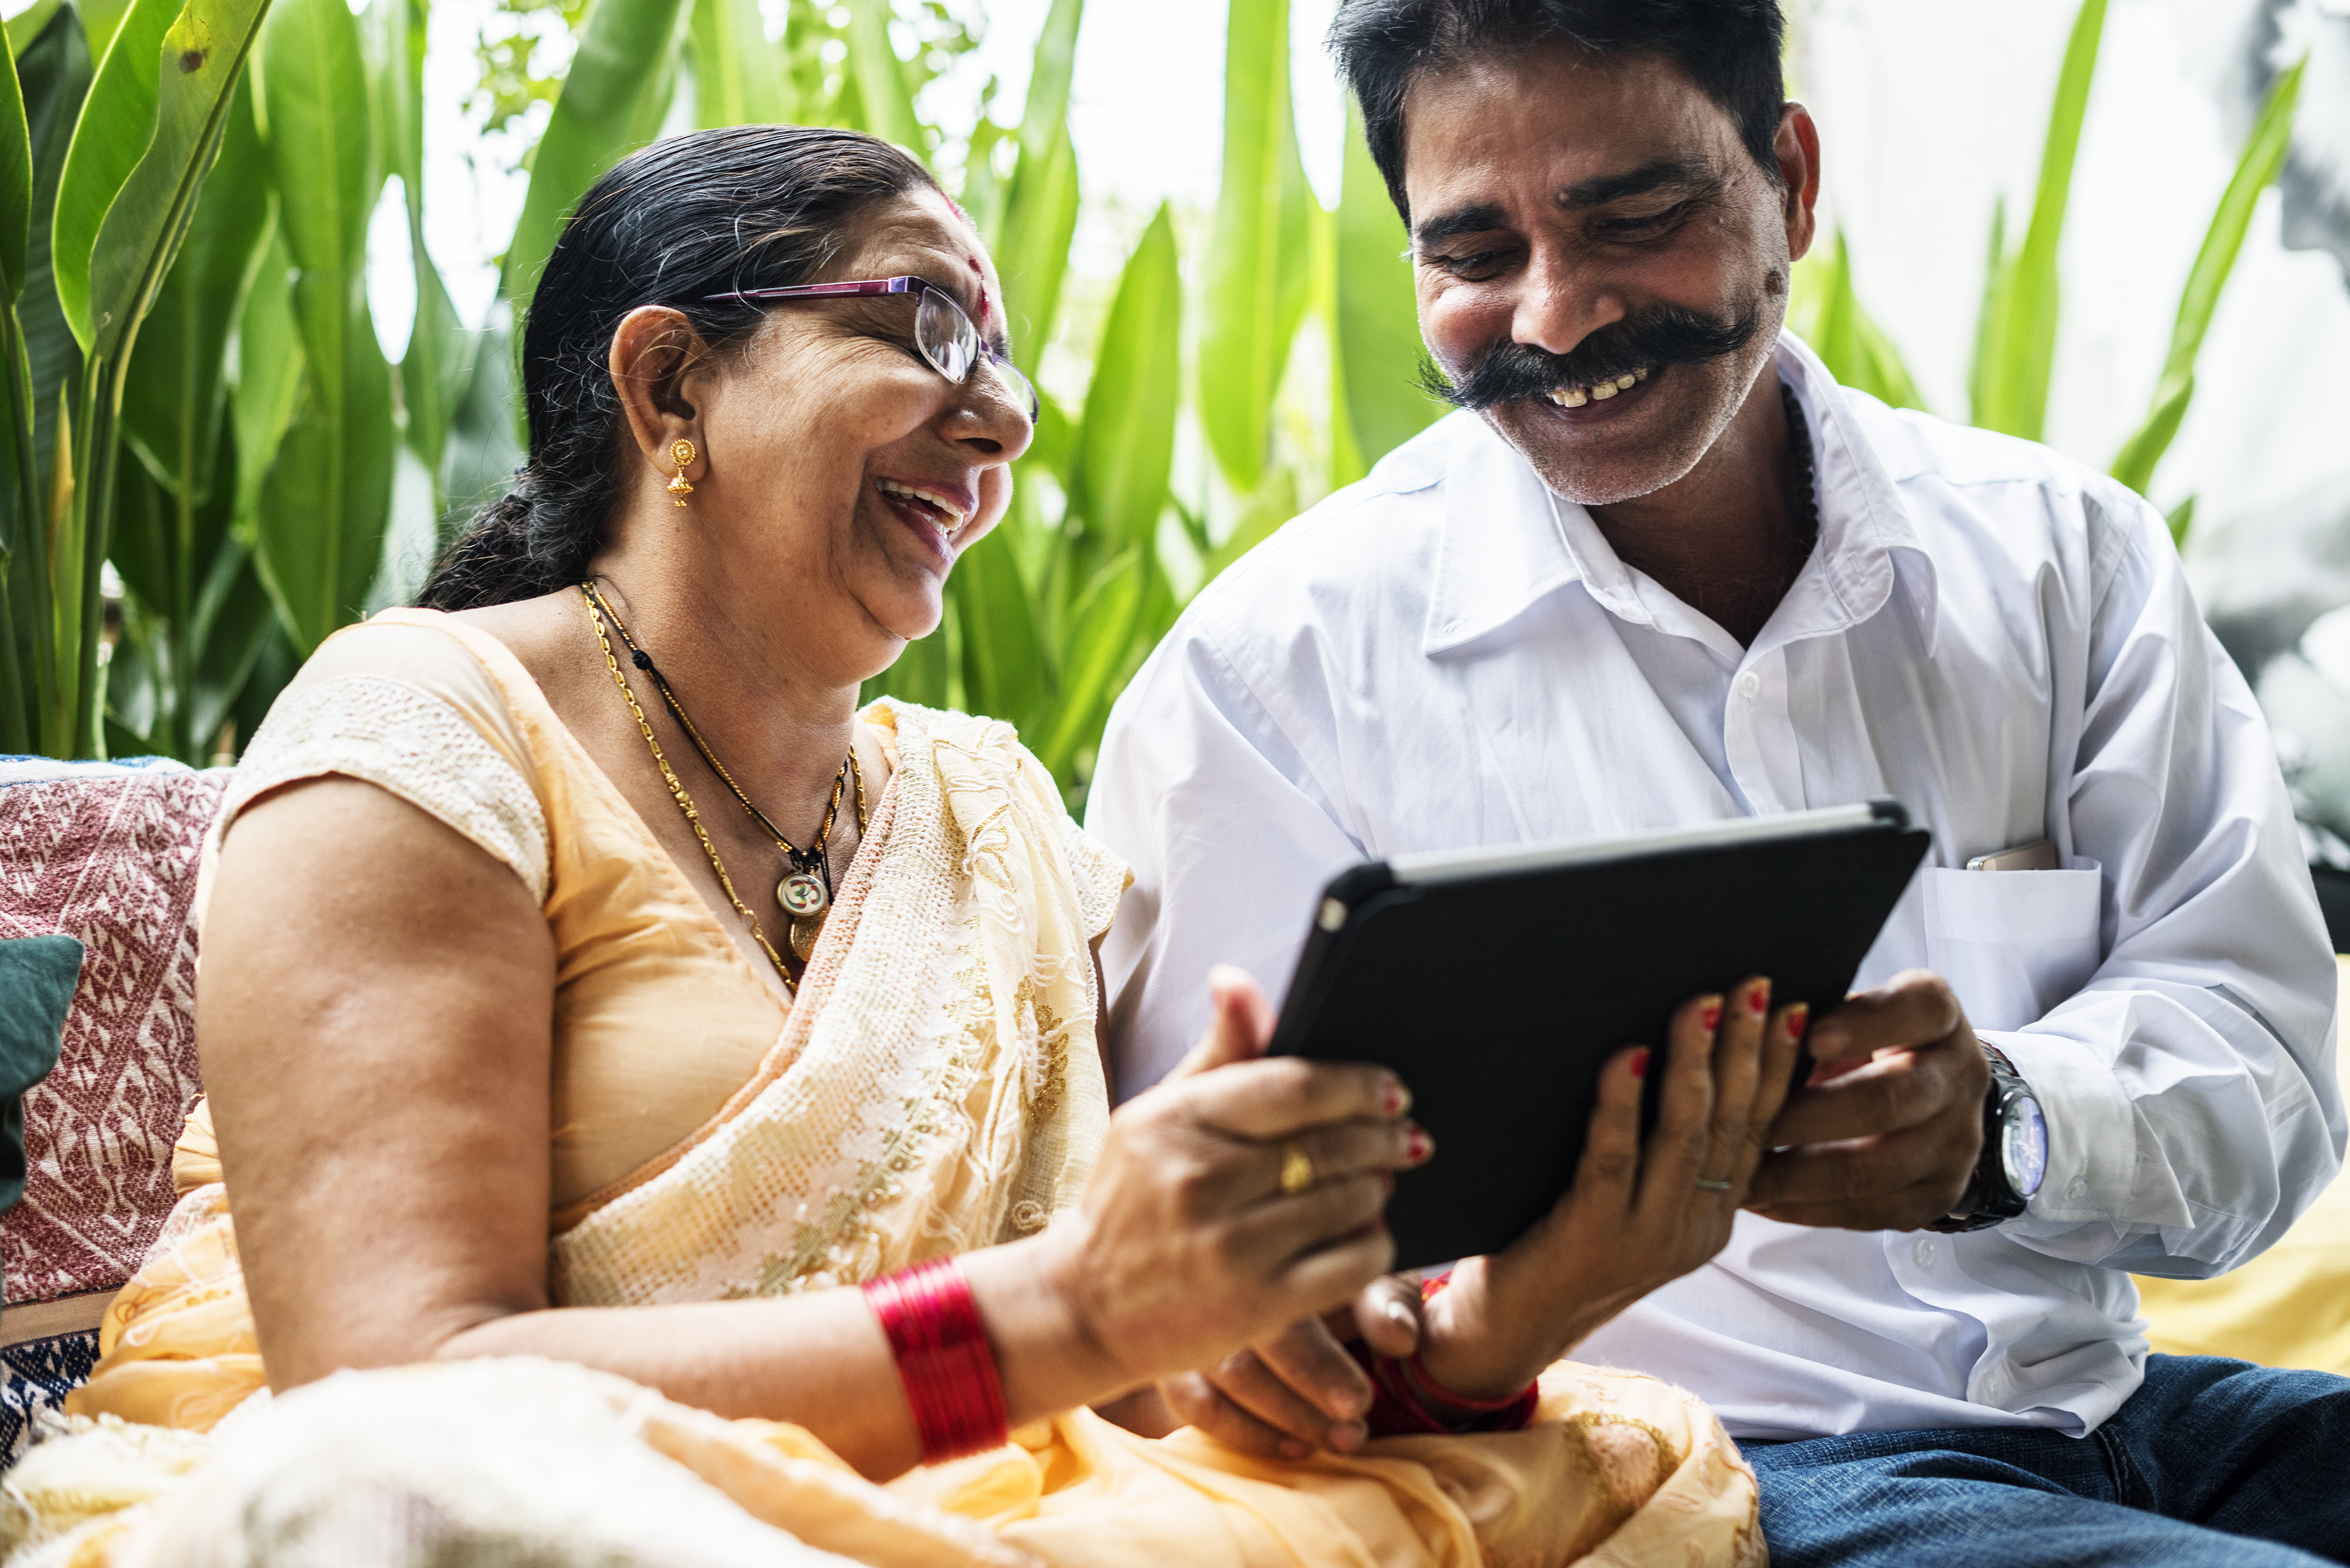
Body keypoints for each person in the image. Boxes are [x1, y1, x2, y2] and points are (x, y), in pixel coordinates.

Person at [4, 125, 1779, 1568]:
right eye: (926, 323)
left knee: (1619, 1451)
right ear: (670, 383)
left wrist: (1480, 1329)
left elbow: (1146, 1385)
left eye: (1001, 360)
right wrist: (1068, 1313)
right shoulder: (427, 725)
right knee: (395, 1495)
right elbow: (393, 1388)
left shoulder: (981, 807)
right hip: (452, 1512)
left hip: (930, 1504)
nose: (998, 414)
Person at [1085, 3, 2350, 1565]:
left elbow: (2269, 1080)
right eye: (1473, 254)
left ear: (1790, 183)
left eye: (1635, 216)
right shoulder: (1269, 677)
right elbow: (1211, 1283)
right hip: (1702, 1476)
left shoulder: (2060, 562)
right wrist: (1310, 1315)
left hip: (2121, 1409)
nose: (1553, 316)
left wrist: (2004, 1125)